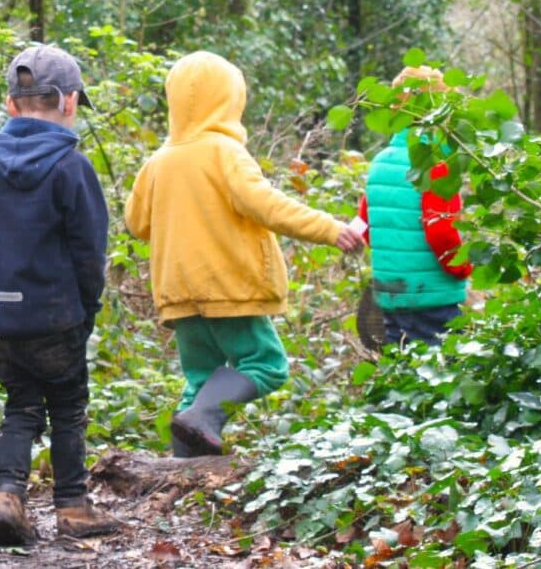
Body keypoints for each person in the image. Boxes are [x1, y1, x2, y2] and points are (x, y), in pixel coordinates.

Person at [123, 51, 364, 458]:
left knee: (199, 380)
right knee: (266, 364)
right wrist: (329, 228)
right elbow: (267, 206)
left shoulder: (157, 162)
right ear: (230, 99)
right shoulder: (224, 152)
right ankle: (205, 419)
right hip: (228, 285)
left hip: (178, 292)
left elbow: (136, 223)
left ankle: (184, 469)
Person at [0, 45, 120, 546]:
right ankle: (72, 506)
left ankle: (7, 495)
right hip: (57, 316)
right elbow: (89, 252)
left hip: (0, 317)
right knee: (68, 408)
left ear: (10, 104)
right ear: (70, 102)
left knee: (21, 406)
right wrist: (87, 309)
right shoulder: (72, 168)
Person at [357, 65, 472, 346]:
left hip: (390, 295)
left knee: (401, 363)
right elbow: (441, 232)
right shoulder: (436, 164)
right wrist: (463, 268)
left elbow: (366, 227)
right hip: (432, 297)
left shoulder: (380, 162)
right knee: (439, 368)